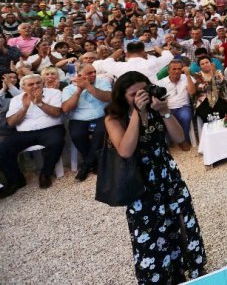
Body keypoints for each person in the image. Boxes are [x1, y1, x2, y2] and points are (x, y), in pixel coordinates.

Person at [103, 71, 206, 283]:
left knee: (181, 222)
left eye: (143, 91)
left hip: (168, 176)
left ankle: (189, 269)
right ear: (122, 96)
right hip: (141, 184)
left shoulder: (156, 109)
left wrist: (166, 112)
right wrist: (135, 115)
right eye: (133, 94)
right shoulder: (114, 119)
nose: (140, 97)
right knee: (150, 231)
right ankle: (160, 276)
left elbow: (179, 139)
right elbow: (125, 150)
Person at [0, 74, 65, 197]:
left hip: (51, 129)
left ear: (42, 83)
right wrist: (25, 107)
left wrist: (40, 103)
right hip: (24, 133)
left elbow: (57, 113)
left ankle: (46, 173)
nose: (35, 86)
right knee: (3, 149)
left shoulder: (54, 93)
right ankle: (16, 181)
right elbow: (11, 122)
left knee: (56, 142)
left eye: (38, 83)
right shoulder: (16, 99)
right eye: (31, 84)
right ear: (23, 87)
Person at [61, 63, 111, 181]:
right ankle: (95, 163)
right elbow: (66, 108)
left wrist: (89, 87)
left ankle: (86, 165)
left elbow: (108, 97)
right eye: (90, 73)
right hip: (79, 119)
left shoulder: (103, 82)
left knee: (100, 132)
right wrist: (78, 91)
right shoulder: (68, 88)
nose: (94, 74)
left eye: (94, 72)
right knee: (77, 135)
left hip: (101, 116)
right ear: (80, 75)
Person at [156, 60, 196, 151]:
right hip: (168, 108)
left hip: (183, 106)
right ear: (168, 70)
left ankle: (183, 140)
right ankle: (170, 139)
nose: (177, 71)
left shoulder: (186, 78)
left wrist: (188, 75)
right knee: (164, 118)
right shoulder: (162, 82)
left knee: (185, 117)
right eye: (174, 69)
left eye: (179, 69)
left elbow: (192, 92)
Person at [192, 56, 227, 122]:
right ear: (199, 66)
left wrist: (214, 73)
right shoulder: (197, 75)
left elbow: (223, 84)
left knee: (222, 110)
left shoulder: (218, 72)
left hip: (219, 97)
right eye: (202, 64)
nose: (205, 65)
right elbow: (201, 88)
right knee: (206, 115)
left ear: (211, 63)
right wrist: (211, 80)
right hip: (203, 100)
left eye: (207, 62)